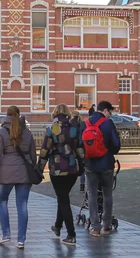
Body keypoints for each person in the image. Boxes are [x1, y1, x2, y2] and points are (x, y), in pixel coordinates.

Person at [0, 106, 36, 250]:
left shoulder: (2, 132)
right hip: (24, 173)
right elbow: (33, 156)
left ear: (6, 115)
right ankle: (21, 240)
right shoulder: (27, 133)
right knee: (22, 205)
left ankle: (5, 234)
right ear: (19, 115)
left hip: (5, 174)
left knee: (2, 201)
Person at [37, 104, 84, 246]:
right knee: (62, 197)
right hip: (72, 169)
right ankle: (57, 226)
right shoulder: (74, 128)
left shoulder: (52, 129)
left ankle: (71, 234)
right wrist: (82, 164)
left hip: (57, 169)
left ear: (55, 113)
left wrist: (39, 169)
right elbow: (80, 148)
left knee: (63, 200)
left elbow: (45, 150)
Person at [85, 100, 121, 237]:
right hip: (106, 164)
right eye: (109, 113)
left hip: (90, 165)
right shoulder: (108, 123)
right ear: (105, 111)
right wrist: (109, 150)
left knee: (92, 194)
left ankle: (95, 227)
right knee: (107, 194)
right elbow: (116, 146)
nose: (110, 116)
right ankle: (106, 224)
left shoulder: (86, 123)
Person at [71, 111, 86, 192]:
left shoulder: (70, 124)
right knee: (83, 166)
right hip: (81, 147)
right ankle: (82, 185)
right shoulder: (82, 123)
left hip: (73, 147)